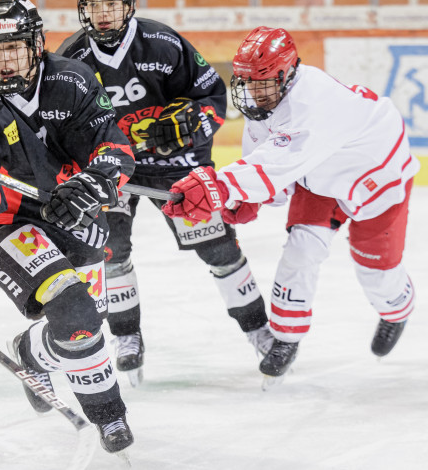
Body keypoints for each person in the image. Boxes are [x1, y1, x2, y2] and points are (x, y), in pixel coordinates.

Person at [0, 0, 136, 453]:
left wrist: (93, 184)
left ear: (36, 44)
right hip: (8, 224)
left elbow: (114, 147)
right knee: (75, 311)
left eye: (15, 48)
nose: (5, 61)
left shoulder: (73, 80)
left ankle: (30, 353)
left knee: (84, 325)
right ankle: (110, 417)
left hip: (70, 213)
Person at [163, 26, 419, 380]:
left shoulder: (315, 101)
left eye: (261, 82)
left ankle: (396, 310)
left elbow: (279, 161)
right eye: (246, 82)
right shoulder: (266, 102)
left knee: (375, 271)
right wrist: (243, 197)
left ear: (287, 73)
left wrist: (219, 186)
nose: (252, 92)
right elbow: (267, 162)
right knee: (300, 250)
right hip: (320, 177)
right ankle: (286, 338)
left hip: (376, 176)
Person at [56, 0, 271, 385]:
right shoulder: (70, 58)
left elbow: (211, 95)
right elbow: (58, 123)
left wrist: (191, 125)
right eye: (94, 4)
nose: (103, 13)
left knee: (217, 247)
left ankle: (258, 329)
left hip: (173, 163)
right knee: (110, 253)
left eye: (112, 3)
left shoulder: (161, 42)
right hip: (111, 166)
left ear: (128, 4)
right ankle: (126, 336)